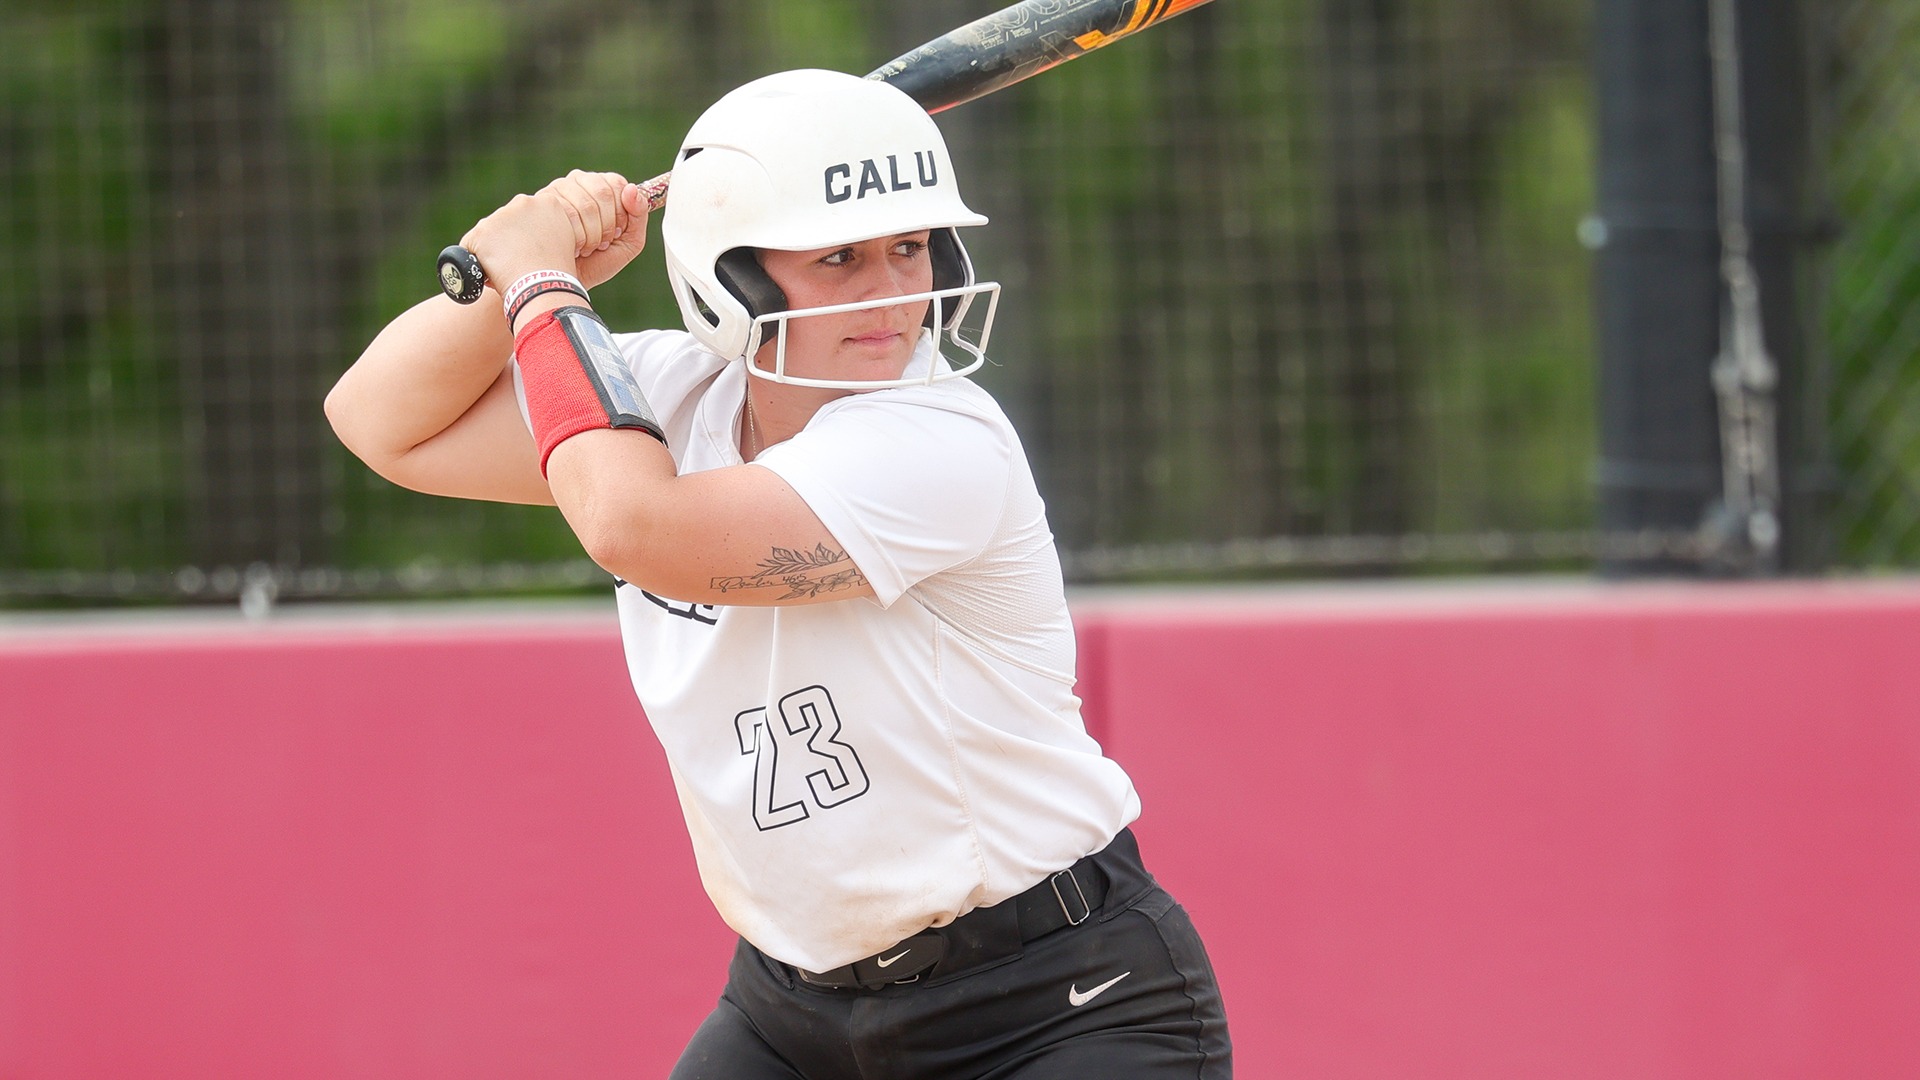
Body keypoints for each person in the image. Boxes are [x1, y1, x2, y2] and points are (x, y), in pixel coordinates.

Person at [326, 68, 1231, 1079]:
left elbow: (632, 522)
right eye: (839, 256)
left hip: (1056, 1002)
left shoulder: (941, 440)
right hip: (793, 1012)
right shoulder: (671, 394)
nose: (894, 293)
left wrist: (545, 289)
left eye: (910, 246)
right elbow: (378, 420)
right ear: (729, 275)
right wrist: (511, 276)